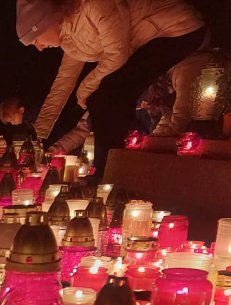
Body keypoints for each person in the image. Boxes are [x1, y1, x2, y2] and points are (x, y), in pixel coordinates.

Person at [17, 0, 206, 178]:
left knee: (107, 96)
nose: (39, 48)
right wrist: (39, 137)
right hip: (147, 42)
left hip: (176, 29)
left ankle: (111, 171)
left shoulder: (94, 5)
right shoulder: (70, 40)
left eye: (35, 39)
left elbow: (117, 55)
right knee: (103, 97)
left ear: (46, 22)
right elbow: (63, 83)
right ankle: (109, 169)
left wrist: (85, 88)